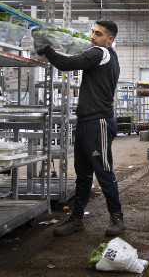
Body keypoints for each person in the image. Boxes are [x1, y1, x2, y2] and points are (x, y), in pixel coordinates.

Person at [37, 20, 124, 237]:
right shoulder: (102, 56)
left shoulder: (100, 53)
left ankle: (117, 217)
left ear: (109, 39)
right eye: (92, 32)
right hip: (86, 122)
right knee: (83, 175)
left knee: (104, 173)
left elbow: (66, 64)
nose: (92, 37)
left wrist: (46, 48)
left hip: (99, 123)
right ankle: (76, 219)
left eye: (98, 33)